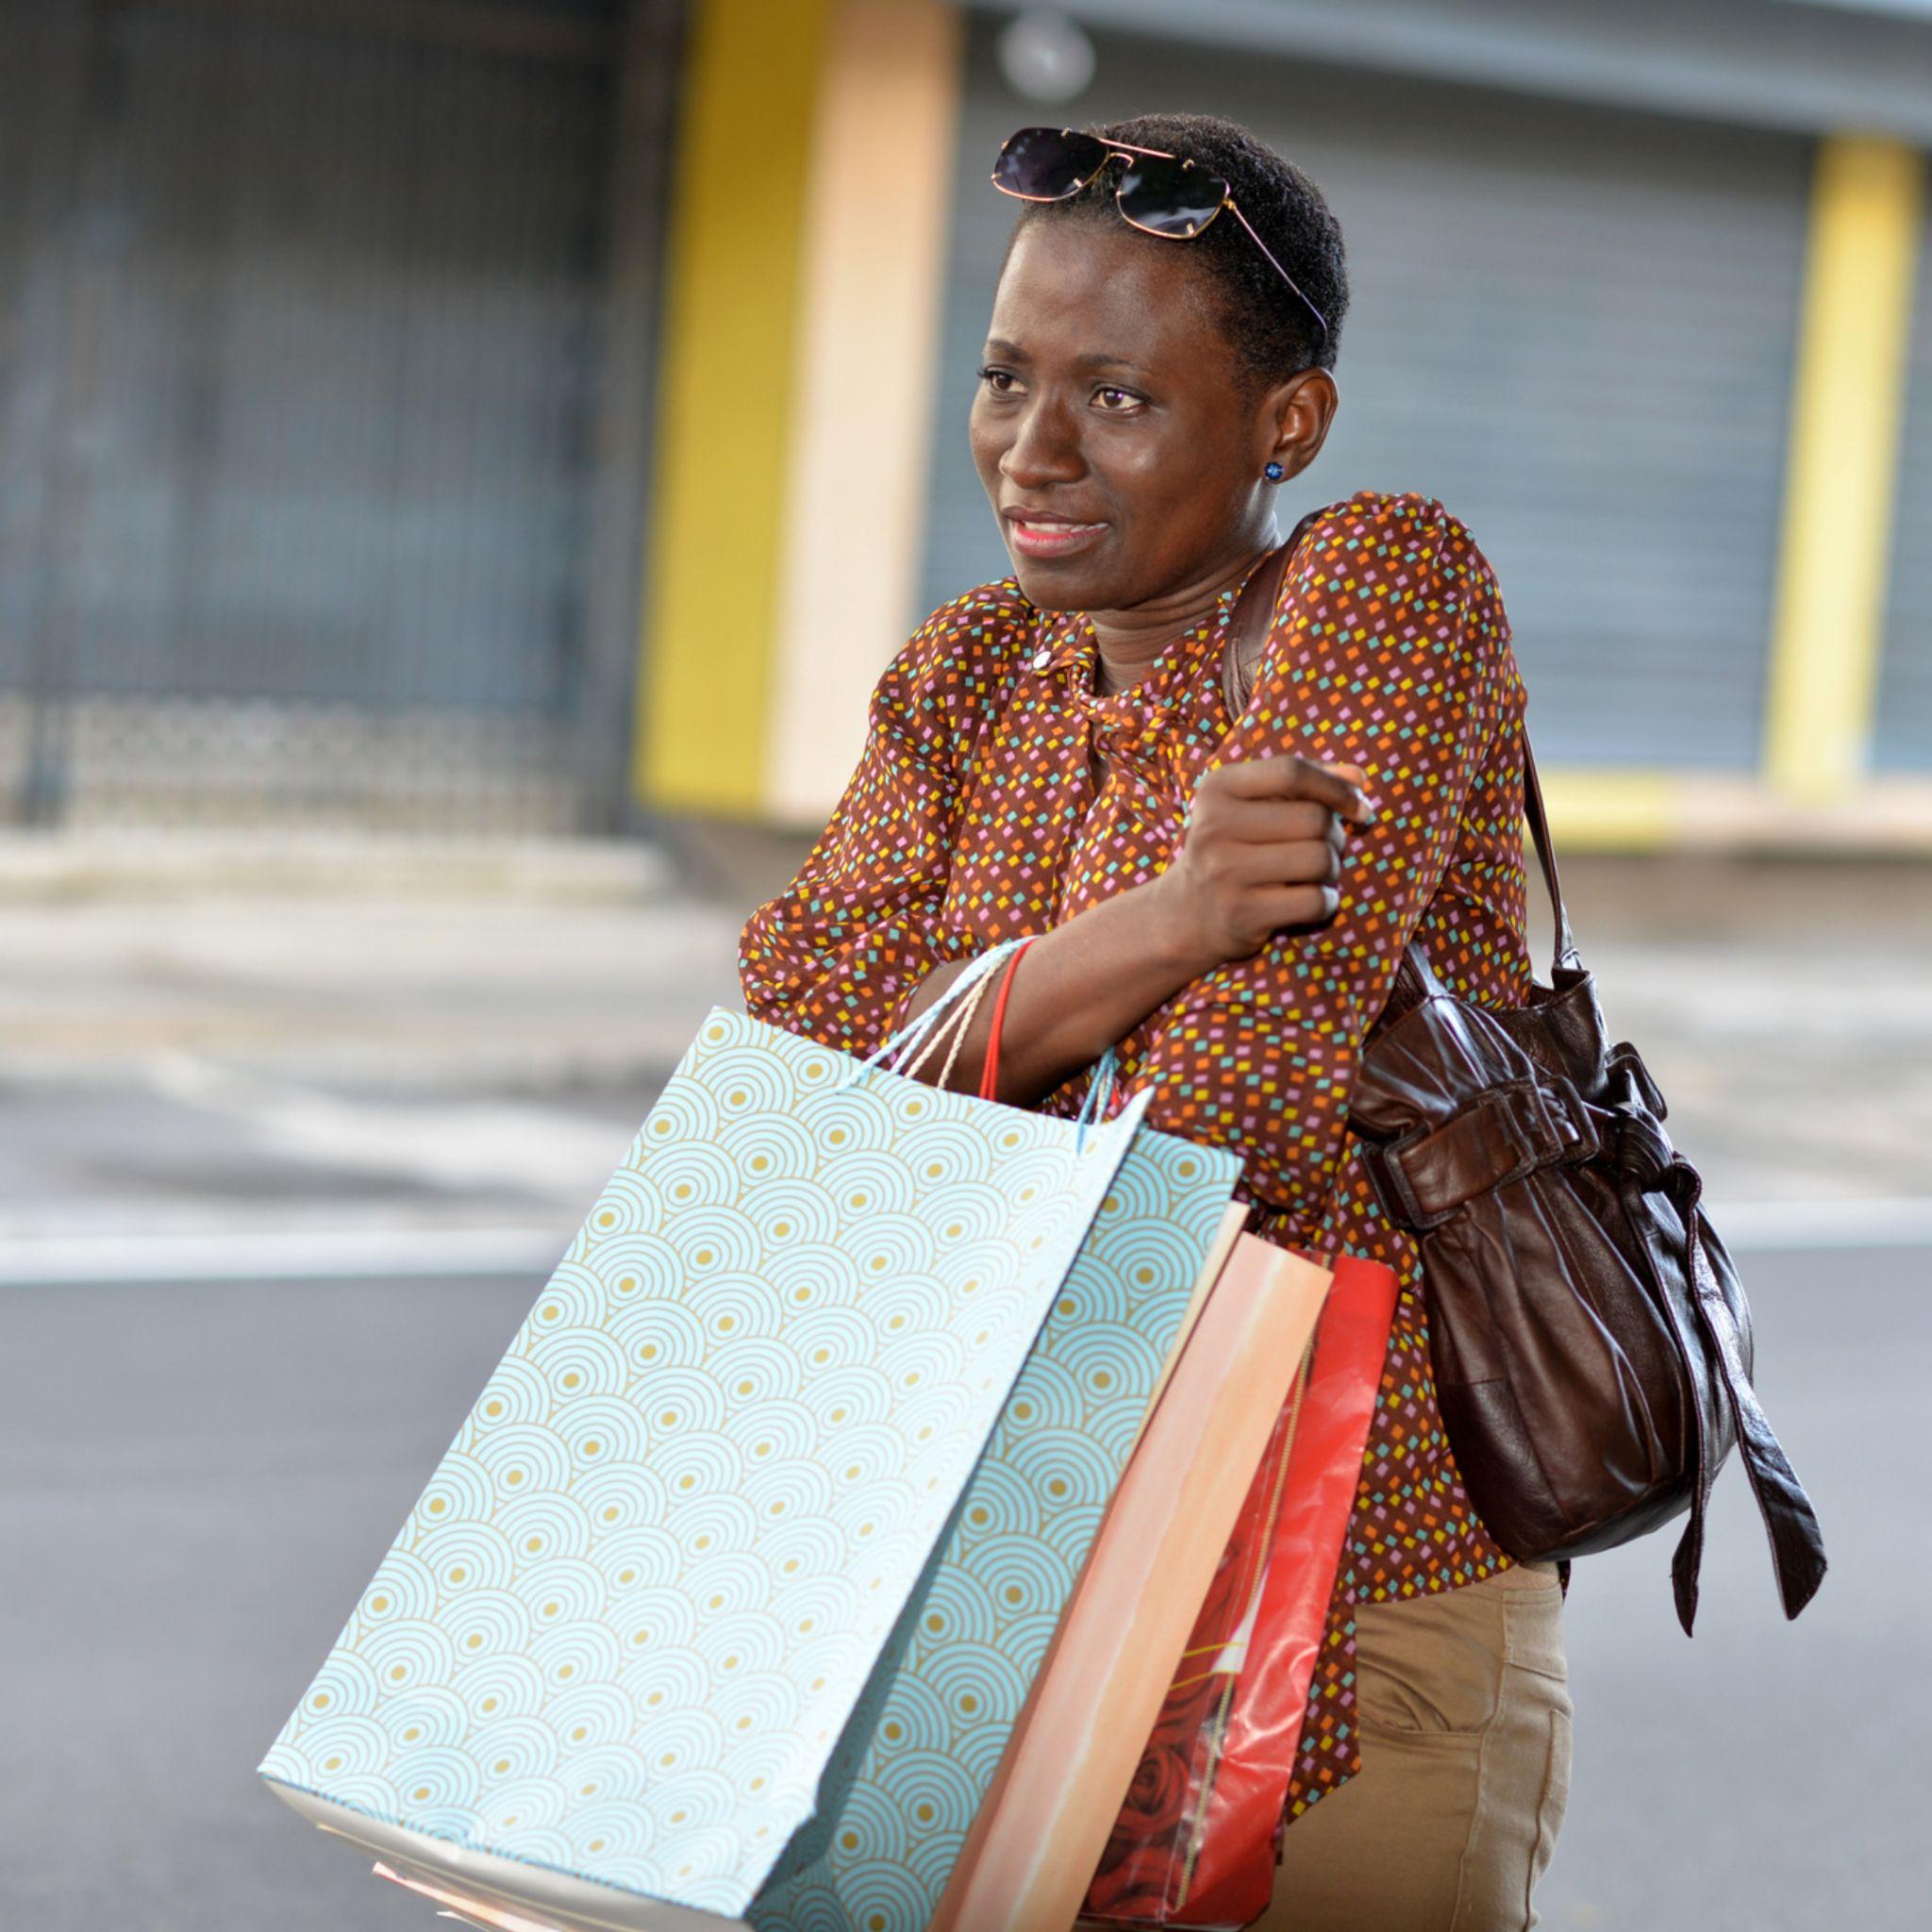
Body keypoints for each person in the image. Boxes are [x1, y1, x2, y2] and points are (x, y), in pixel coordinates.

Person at [738, 110, 1572, 1932]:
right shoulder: (964, 678)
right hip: (977, 1602)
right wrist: (1172, 921)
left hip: (1336, 1625)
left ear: (1288, 424)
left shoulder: (1383, 588)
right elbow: (795, 1051)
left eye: (1117, 398)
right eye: (1004, 377)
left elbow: (1215, 1119)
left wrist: (971, 1045)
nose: (1032, 451)